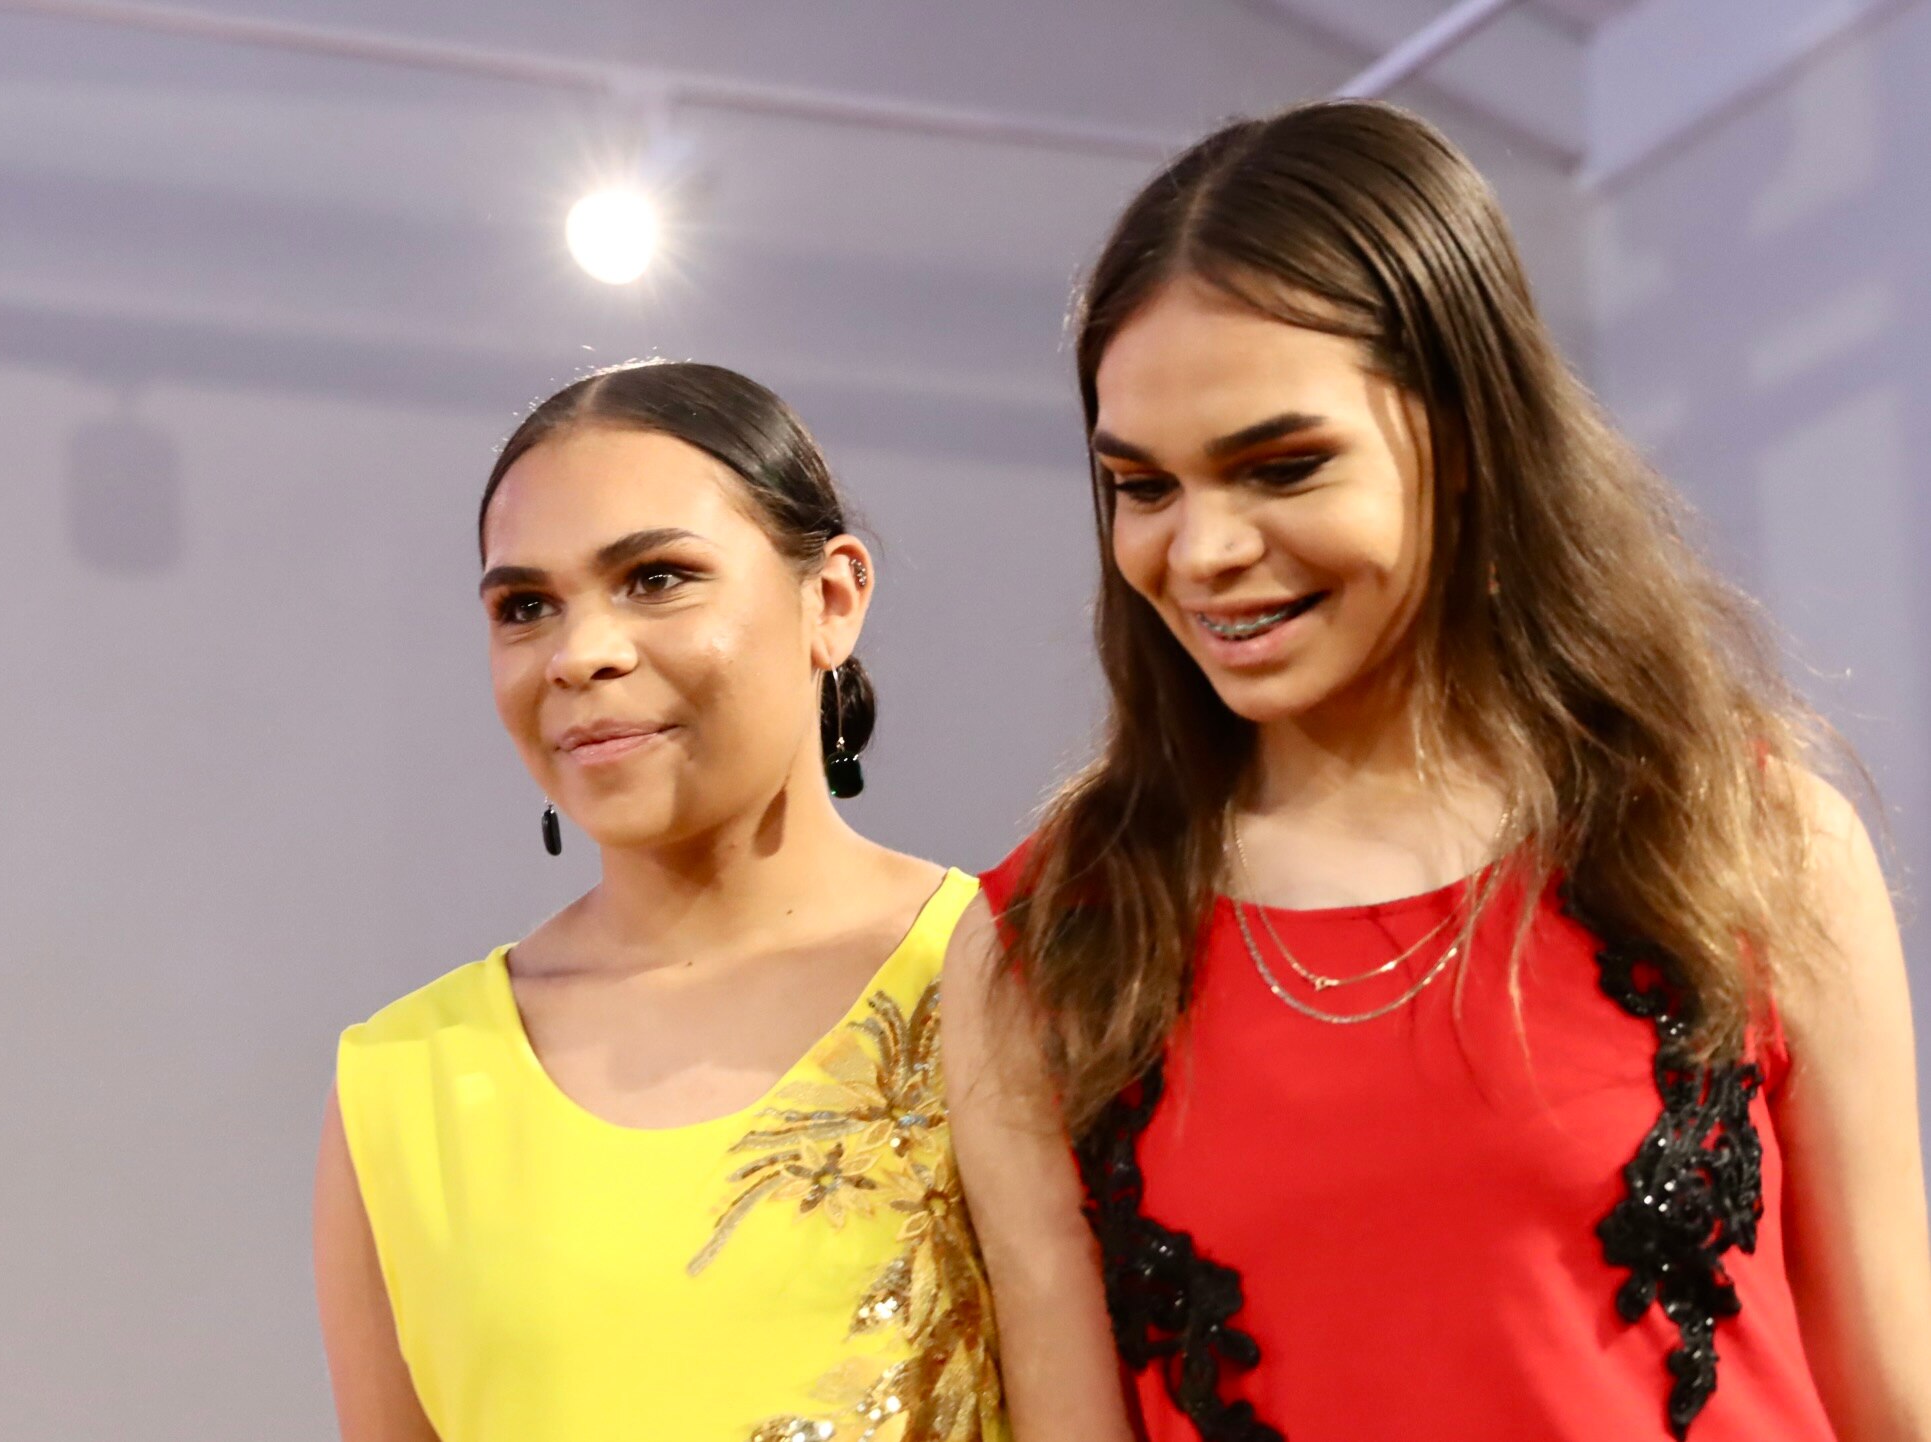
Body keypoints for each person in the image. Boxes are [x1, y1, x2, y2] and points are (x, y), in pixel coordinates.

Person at [980, 101, 1931, 1441]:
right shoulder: (1048, 937)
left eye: (1279, 465)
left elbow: (1892, 1394)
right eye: (1141, 485)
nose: (1198, 552)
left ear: (1470, 438)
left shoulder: (1747, 833)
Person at [309, 360, 1119, 1442]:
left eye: (655, 577)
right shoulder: (403, 1082)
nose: (580, 652)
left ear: (831, 598)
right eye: (526, 605)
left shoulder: (1003, 975)